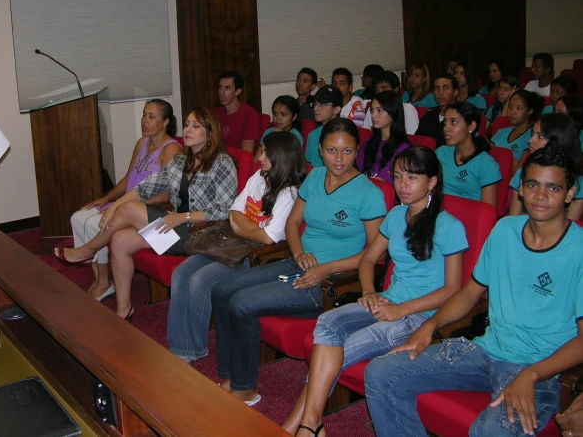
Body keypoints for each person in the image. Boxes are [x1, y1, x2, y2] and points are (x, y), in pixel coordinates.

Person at [365, 145, 583, 437]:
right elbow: (470, 292)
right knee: (381, 372)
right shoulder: (505, 230)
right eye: (532, 184)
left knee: (489, 431)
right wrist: (429, 326)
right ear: (520, 188)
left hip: (540, 370)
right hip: (485, 350)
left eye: (553, 188)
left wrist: (531, 374)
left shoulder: (578, 250)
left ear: (570, 193)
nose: (540, 196)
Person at [282, 147, 467, 437]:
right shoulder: (396, 215)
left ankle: (302, 425)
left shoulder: (449, 226)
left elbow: (454, 288)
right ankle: (309, 423)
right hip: (386, 302)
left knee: (338, 348)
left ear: (431, 182)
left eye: (412, 177)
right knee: (327, 323)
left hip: (418, 316)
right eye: (397, 177)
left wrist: (401, 310)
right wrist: (369, 291)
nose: (402, 185)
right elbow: (369, 258)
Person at [212, 118, 387, 406]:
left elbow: (377, 254)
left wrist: (327, 268)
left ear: (357, 150)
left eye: (347, 151)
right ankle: (230, 372)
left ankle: (245, 389)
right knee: (222, 290)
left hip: (330, 281)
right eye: (331, 150)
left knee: (242, 303)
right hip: (297, 263)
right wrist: (298, 254)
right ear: (320, 149)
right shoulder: (316, 176)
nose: (339, 159)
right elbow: (293, 224)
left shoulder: (369, 194)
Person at [167, 131, 305, 363]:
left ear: (280, 158)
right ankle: (181, 346)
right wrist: (248, 229)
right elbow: (234, 211)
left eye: (265, 153)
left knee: (201, 280)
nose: (259, 158)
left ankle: (192, 350)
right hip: (232, 243)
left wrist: (243, 227)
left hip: (255, 256)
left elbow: (269, 239)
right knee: (181, 273)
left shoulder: (289, 193)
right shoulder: (258, 178)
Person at [54, 100, 181, 300]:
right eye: (144, 114)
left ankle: (104, 282)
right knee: (78, 217)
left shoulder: (171, 149)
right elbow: (128, 179)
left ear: (165, 122)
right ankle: (98, 279)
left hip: (143, 208)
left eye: (151, 116)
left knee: (94, 223)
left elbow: (167, 195)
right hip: (125, 202)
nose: (144, 121)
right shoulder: (142, 143)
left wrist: (128, 206)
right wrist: (105, 199)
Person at [509, 113, 583, 220]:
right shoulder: (522, 172)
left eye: (539, 136)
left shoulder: (579, 182)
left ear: (558, 141)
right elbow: (513, 219)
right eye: (532, 134)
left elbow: (570, 228)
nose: (531, 140)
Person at [438, 102, 501, 210]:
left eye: (453, 122)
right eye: (445, 122)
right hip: (438, 214)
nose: (446, 128)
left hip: (468, 220)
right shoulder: (441, 152)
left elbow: (488, 211)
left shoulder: (486, 164)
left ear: (471, 126)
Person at [357, 91, 411, 186]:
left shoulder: (403, 148)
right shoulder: (369, 142)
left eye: (379, 110)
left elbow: (383, 179)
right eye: (372, 110)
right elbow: (356, 169)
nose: (373, 115)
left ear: (393, 112)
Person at [492, 90, 543, 172]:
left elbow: (518, 170)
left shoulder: (532, 137)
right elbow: (486, 157)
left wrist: (499, 156)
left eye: (518, 108)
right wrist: (511, 160)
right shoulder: (501, 132)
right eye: (510, 107)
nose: (512, 112)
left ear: (530, 111)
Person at [214, 70, 259, 153]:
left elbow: (246, 153)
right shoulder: (216, 113)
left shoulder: (249, 114)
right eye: (220, 87)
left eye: (227, 88)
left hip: (236, 162)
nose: (222, 92)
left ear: (238, 91)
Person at [254, 95, 303, 163]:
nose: (278, 118)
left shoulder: (295, 136)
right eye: (275, 114)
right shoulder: (269, 132)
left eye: (283, 115)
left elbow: (289, 164)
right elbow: (256, 160)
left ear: (294, 116)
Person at [416, 75, 459, 149]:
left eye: (446, 88)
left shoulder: (462, 116)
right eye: (437, 88)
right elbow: (417, 142)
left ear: (455, 92)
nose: (441, 92)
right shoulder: (428, 117)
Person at [304, 86, 343, 167]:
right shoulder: (313, 135)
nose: (316, 108)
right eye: (315, 104)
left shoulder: (343, 135)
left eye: (322, 105)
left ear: (336, 109)